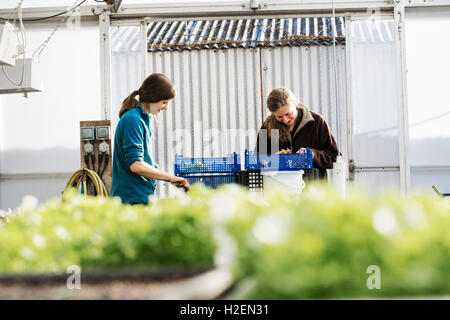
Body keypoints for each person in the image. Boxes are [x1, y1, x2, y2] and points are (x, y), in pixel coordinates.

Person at [111, 73, 190, 205]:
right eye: (164, 102)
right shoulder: (133, 120)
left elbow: (146, 162)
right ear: (153, 97)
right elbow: (136, 165)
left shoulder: (143, 119)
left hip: (140, 196)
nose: (165, 107)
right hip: (131, 199)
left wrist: (172, 178)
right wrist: (169, 178)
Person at [255, 87, 339, 178]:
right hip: (279, 188)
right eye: (279, 117)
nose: (285, 120)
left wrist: (312, 154)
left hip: (313, 189)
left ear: (295, 104)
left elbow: (335, 158)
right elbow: (256, 161)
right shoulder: (267, 127)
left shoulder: (317, 122)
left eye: (288, 114)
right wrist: (273, 159)